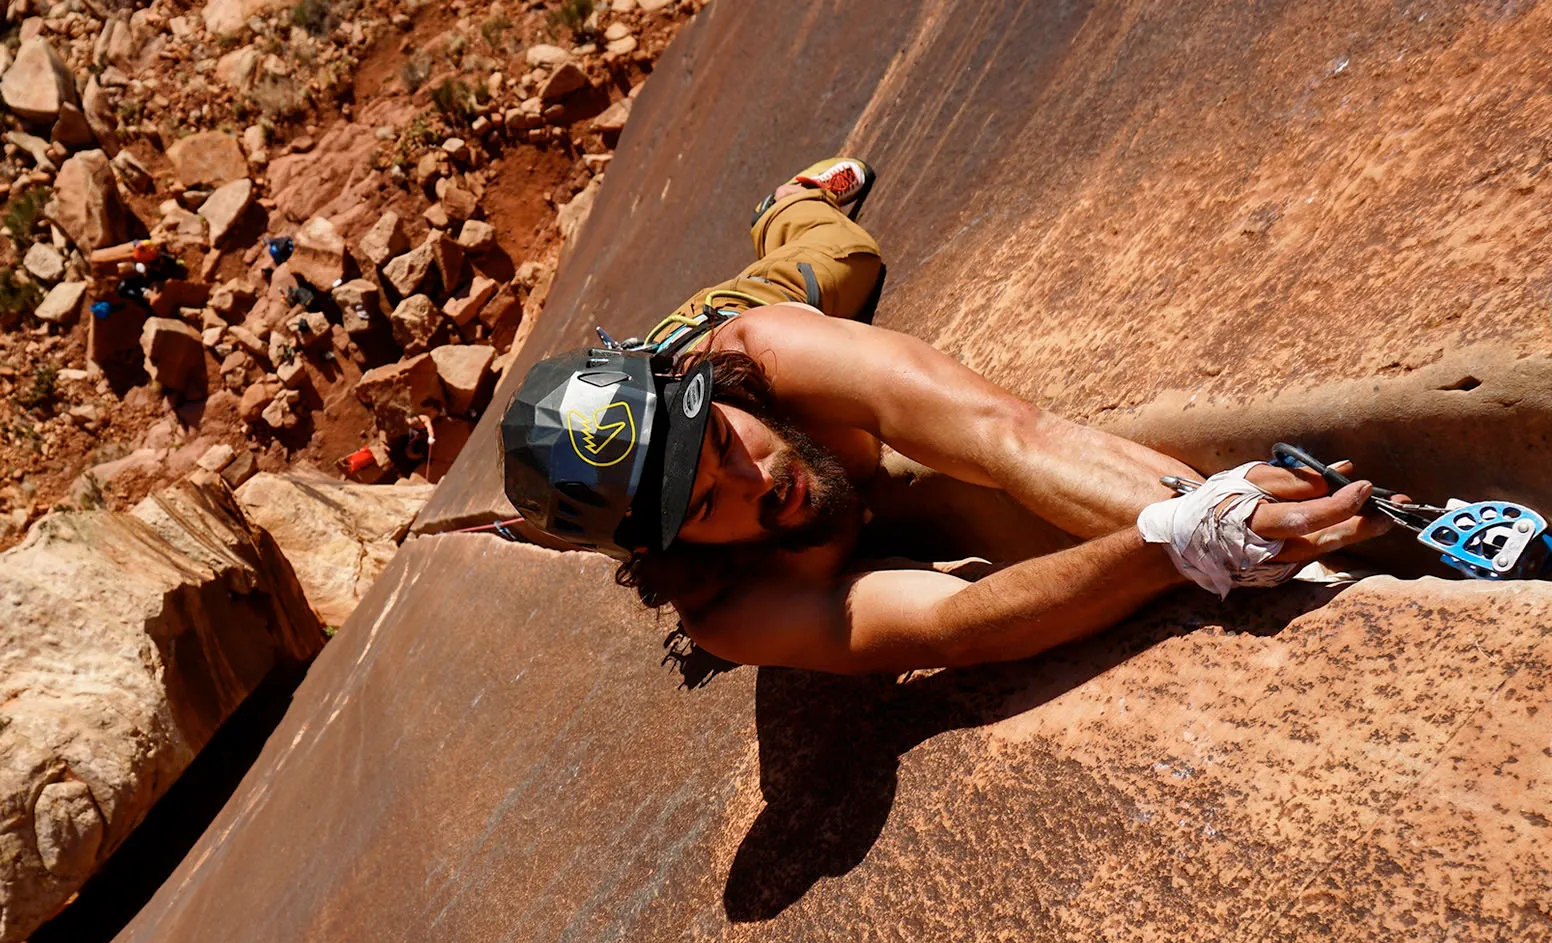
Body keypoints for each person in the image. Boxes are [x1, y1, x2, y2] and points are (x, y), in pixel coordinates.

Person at [501, 159, 1391, 675]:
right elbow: (949, 627)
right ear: (674, 550)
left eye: (724, 442)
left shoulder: (764, 353)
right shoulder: (731, 608)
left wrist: (1221, 518)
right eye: (704, 506)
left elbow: (1008, 435)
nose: (756, 478)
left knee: (843, 252)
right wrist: (1171, 542)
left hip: (732, 308)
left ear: (720, 401)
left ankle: (787, 205)